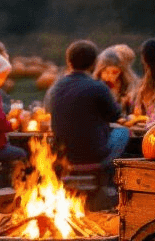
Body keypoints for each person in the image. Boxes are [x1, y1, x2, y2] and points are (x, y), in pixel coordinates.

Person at [47, 39, 131, 170]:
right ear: (94, 64)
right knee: (123, 132)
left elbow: (48, 109)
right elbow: (115, 115)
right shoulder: (98, 87)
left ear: (69, 62)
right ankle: (106, 174)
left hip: (63, 153)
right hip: (94, 154)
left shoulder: (56, 87)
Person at [94, 45, 136, 117]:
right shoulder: (96, 86)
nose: (110, 76)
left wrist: (129, 102)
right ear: (100, 71)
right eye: (106, 72)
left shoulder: (126, 84)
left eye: (115, 73)